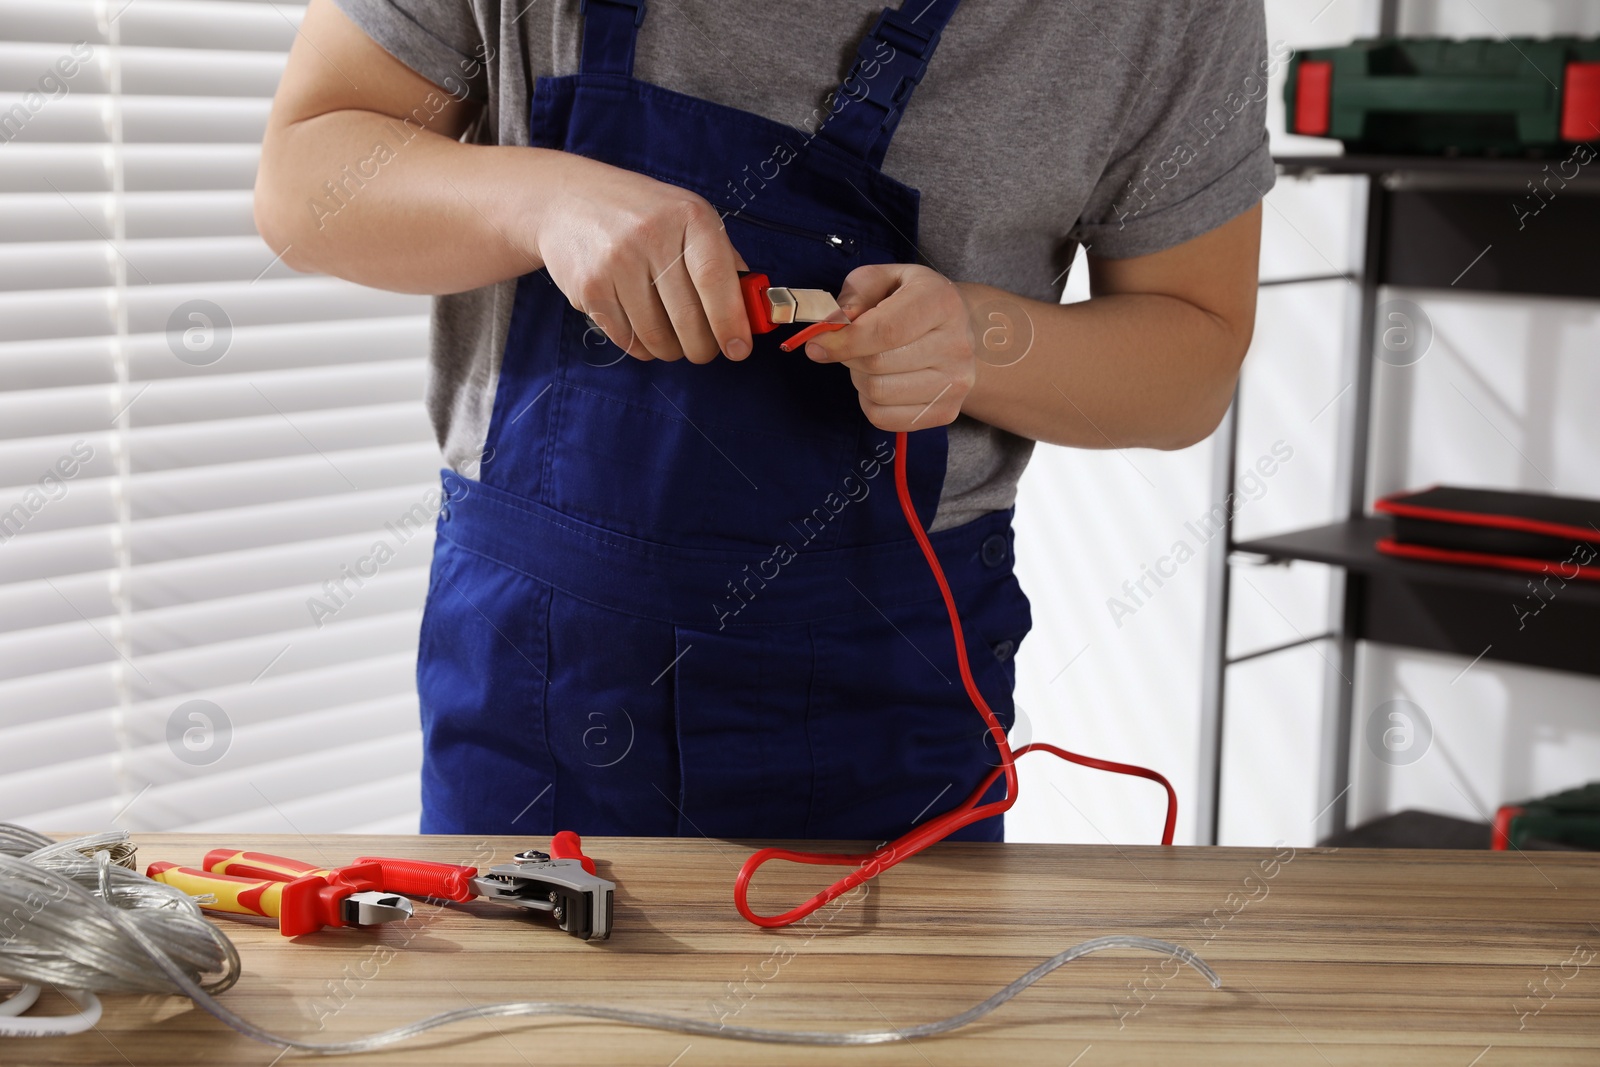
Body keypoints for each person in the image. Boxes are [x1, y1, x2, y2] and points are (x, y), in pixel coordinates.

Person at [256, 0, 1271, 841]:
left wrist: (980, 342)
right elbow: (305, 183)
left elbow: (1192, 361)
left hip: (888, 682)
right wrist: (544, 202)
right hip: (538, 673)